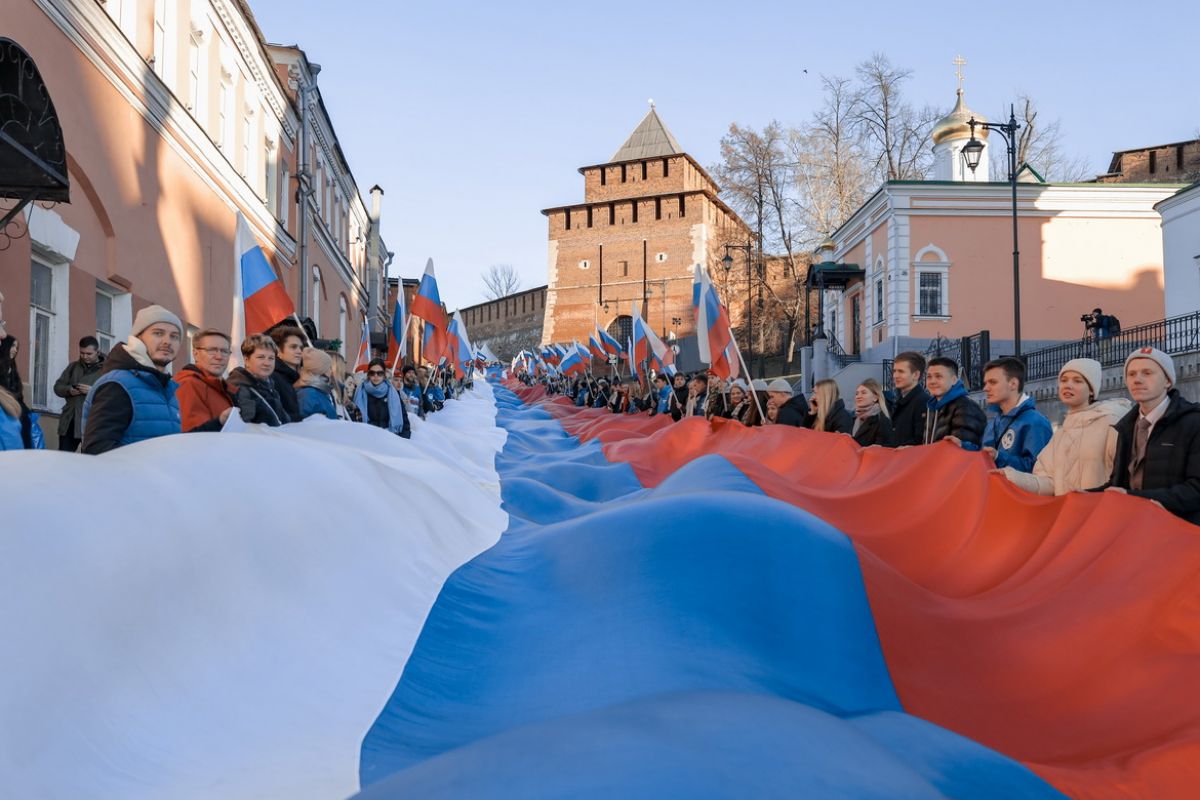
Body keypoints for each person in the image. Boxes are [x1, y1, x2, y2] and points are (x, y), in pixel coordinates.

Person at [1101, 347, 1200, 523]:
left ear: (1167, 381)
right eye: (1131, 374)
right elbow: (1118, 485)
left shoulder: (1193, 423)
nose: (1137, 380)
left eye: (1147, 373)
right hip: (1136, 528)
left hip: (1179, 534)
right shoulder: (1126, 426)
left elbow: (1195, 489)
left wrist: (1133, 497)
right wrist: (1084, 494)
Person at [1002, 359, 1129, 495]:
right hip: (1068, 514)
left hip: (1101, 513)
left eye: (1077, 381)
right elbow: (1049, 482)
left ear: (1092, 390)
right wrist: (1010, 477)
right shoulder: (1061, 434)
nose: (1068, 385)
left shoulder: (1111, 423)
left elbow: (1124, 478)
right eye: (1064, 380)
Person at [81, 305, 183, 454]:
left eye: (174, 336)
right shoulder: (117, 385)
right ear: (138, 338)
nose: (167, 341)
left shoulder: (168, 388)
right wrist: (152, 466)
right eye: (158, 333)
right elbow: (97, 449)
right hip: (127, 477)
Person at [981, 357, 1053, 473]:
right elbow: (983, 453)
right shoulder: (995, 421)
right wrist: (962, 446)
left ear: (1013, 384)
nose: (985, 388)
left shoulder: (1035, 422)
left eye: (993, 382)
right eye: (985, 383)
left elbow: (1038, 471)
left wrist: (999, 457)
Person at [174, 329, 235, 432]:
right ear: (195, 353)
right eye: (211, 350)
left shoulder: (223, 388)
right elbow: (191, 436)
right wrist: (220, 422)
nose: (219, 357)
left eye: (224, 351)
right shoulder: (188, 385)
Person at [52, 336, 105, 450]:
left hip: (92, 423)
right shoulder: (73, 367)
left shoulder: (106, 370)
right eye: (82, 353)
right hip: (70, 421)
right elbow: (57, 387)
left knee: (88, 462)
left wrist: (92, 391)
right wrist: (69, 390)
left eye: (89, 354)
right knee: (63, 459)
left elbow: (111, 396)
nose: (84, 356)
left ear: (97, 352)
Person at [226, 334, 291, 426]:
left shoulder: (270, 386)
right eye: (261, 357)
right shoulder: (240, 389)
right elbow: (244, 427)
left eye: (271, 358)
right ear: (246, 360)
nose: (267, 363)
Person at [922, 357, 986, 449]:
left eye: (938, 376)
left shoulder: (965, 407)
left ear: (954, 380)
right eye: (929, 377)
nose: (932, 381)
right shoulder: (932, 407)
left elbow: (963, 451)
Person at [354, 357, 411, 438]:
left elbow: (405, 423)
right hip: (366, 439)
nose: (376, 376)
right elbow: (354, 421)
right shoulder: (360, 392)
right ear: (368, 375)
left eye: (379, 373)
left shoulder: (393, 393)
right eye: (372, 373)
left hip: (390, 439)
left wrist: (403, 440)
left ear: (384, 375)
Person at [888, 352, 929, 447]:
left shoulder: (922, 402)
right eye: (894, 371)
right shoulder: (901, 400)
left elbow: (920, 441)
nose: (895, 376)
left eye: (901, 371)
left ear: (916, 375)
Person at [295, 348, 338, 420]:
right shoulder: (308, 394)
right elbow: (305, 424)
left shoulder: (320, 391)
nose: (331, 371)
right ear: (321, 369)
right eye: (329, 367)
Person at [852, 378, 893, 447]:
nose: (858, 396)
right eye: (857, 393)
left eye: (863, 393)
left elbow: (883, 452)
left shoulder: (882, 421)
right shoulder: (854, 418)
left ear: (875, 397)